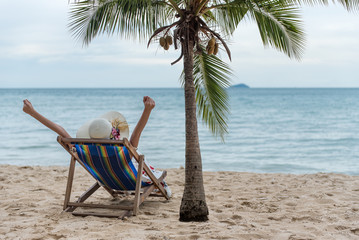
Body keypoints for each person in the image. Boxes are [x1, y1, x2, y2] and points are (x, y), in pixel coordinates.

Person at [22, 96, 171, 197]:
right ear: (113, 135)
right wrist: (147, 110)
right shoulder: (123, 153)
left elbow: (60, 131)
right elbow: (137, 133)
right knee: (145, 166)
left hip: (108, 181)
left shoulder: (82, 150)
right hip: (130, 182)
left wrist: (33, 112)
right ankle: (161, 185)